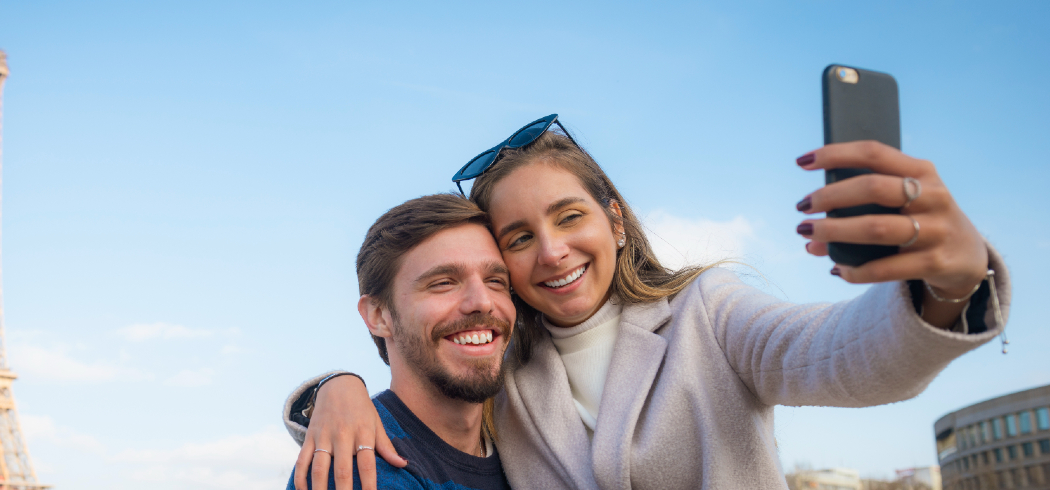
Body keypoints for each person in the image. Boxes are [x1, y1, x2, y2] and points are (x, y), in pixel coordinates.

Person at [286, 115, 1011, 490]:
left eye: (571, 217)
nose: (553, 252)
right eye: (519, 236)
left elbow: (842, 358)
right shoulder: (510, 365)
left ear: (616, 220)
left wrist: (951, 283)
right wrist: (334, 390)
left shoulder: (708, 313)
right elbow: (429, 396)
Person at [286, 194, 516, 490]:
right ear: (379, 316)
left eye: (496, 280)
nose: (482, 302)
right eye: (443, 282)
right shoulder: (360, 467)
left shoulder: (523, 445)